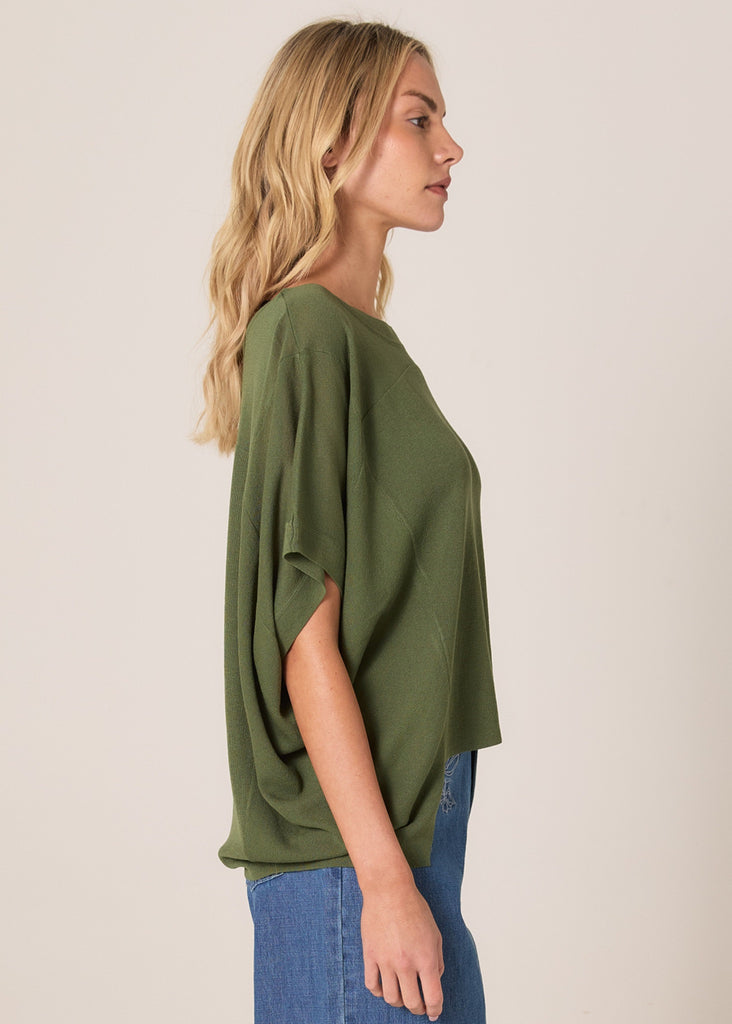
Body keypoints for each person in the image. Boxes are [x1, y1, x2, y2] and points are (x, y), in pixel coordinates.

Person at [192, 17, 503, 1024]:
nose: (450, 147)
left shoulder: (367, 344)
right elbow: (303, 638)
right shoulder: (306, 332)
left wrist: (402, 876)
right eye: (420, 120)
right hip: (354, 867)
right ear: (333, 142)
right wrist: (381, 882)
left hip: (406, 849)